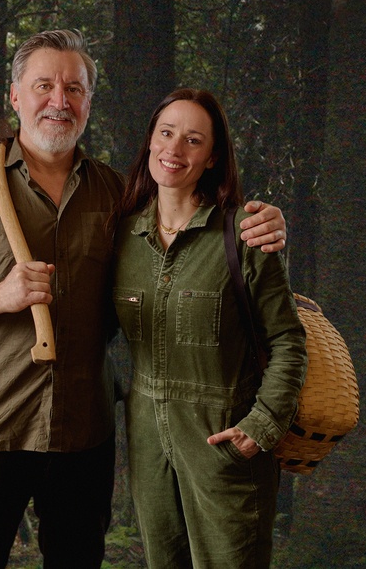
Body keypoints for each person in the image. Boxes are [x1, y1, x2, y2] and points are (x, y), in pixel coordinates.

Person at [0, 30, 288, 568]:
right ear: (15, 98)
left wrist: (262, 222)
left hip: (84, 432)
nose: (59, 101)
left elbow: (185, 228)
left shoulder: (115, 194)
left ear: (88, 103)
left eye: (74, 89)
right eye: (44, 86)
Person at [112, 88, 307, 568]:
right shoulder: (122, 236)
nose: (174, 150)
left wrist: (260, 427)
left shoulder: (243, 234)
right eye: (166, 133)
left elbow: (288, 341)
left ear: (213, 157)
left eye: (193, 140)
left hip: (223, 442)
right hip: (148, 444)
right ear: (150, 141)